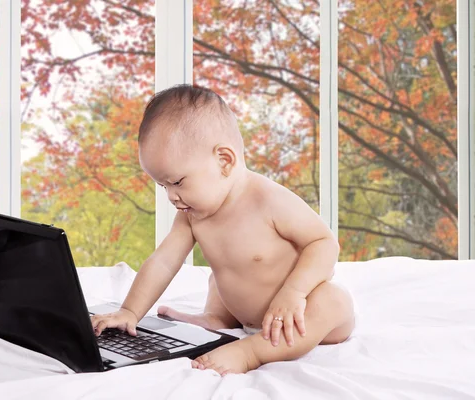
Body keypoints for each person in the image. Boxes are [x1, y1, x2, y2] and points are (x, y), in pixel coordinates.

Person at [90, 84, 355, 375]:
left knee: (331, 300)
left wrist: (293, 292)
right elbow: (163, 262)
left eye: (177, 182)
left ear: (224, 161)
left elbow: (323, 243)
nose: (171, 196)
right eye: (162, 185)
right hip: (247, 315)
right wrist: (130, 312)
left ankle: (251, 351)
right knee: (223, 272)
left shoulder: (268, 199)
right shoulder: (192, 214)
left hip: (300, 313)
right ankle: (216, 318)